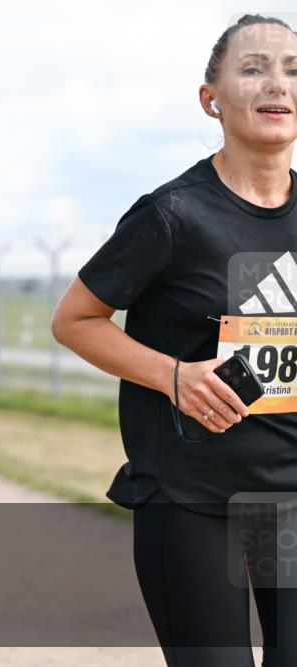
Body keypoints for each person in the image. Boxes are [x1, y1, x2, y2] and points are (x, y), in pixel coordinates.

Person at [52, 15, 297, 666]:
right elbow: (73, 320)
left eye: (293, 69)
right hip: (190, 497)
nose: (277, 84)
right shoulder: (171, 215)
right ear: (210, 97)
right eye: (253, 68)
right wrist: (175, 376)